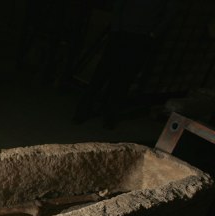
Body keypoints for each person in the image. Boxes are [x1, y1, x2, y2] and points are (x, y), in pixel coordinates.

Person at [73, 0, 179, 129]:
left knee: (124, 79)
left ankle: (109, 115)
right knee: (101, 74)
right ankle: (83, 111)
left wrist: (154, 33)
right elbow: (119, 4)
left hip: (141, 37)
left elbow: (170, 12)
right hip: (122, 33)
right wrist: (116, 29)